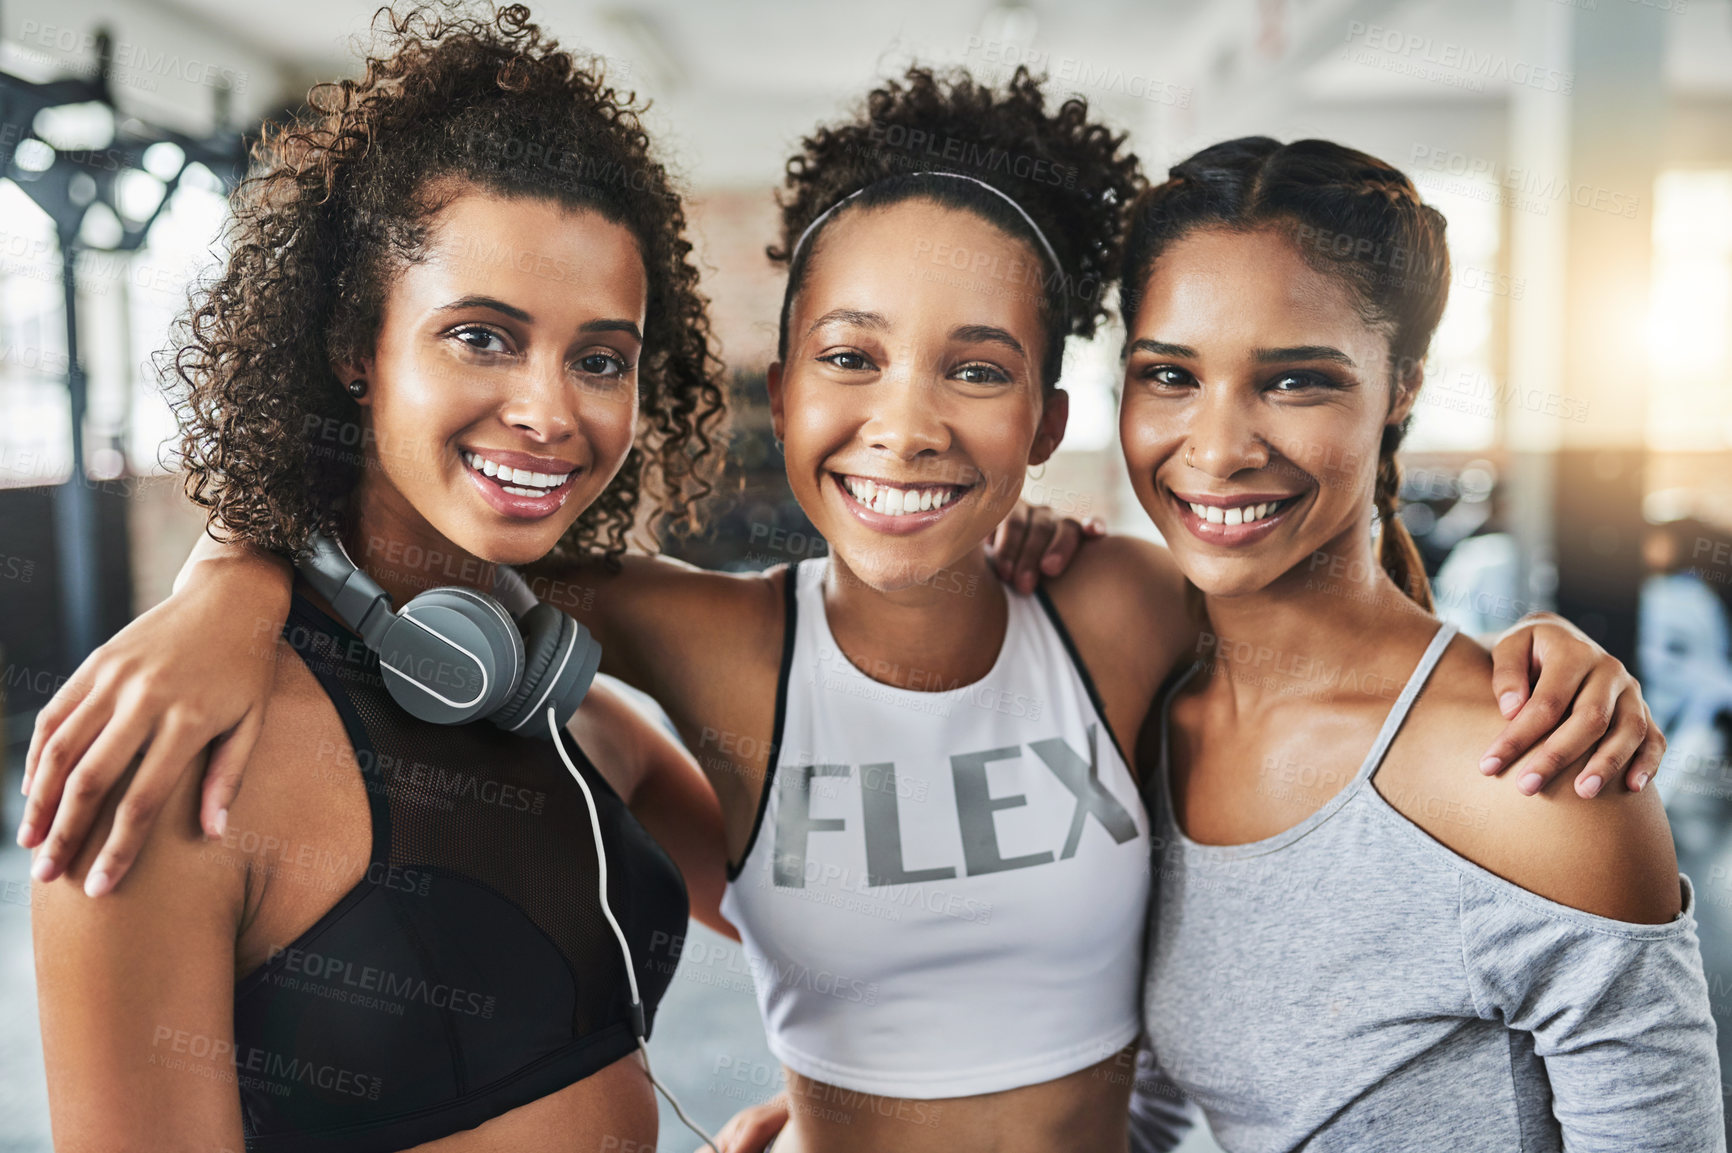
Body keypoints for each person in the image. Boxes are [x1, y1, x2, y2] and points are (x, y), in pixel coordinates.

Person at [26, 70, 1662, 1153]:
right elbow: (383, 540)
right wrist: (226, 578)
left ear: (1045, 415)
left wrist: (1534, 653)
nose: (908, 420)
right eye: (852, 355)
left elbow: (1325, 617)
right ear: (776, 380)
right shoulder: (703, 638)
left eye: (979, 365)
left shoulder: (1110, 603)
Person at [31, 6, 735, 1150]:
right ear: (356, 346)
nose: (551, 412)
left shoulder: (561, 710)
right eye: (482, 336)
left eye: (599, 358)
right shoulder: (172, 763)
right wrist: (232, 576)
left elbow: (825, 932)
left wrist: (831, 1099)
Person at [1118, 137, 1721, 1149]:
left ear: (1400, 386)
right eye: (1169, 374)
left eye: (1295, 381)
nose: (1217, 449)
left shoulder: (1535, 771)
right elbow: (1143, 1107)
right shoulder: (1142, 722)